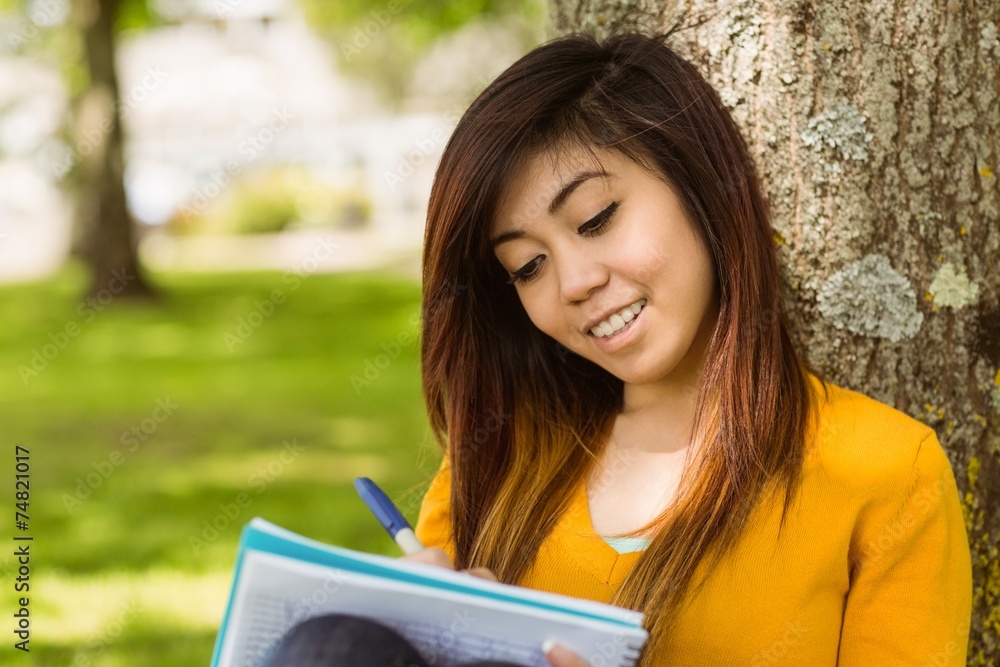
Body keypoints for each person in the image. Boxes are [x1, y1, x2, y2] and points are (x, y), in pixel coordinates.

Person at [265, 29, 973, 667]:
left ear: (700, 185)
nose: (574, 283)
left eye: (596, 219)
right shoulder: (496, 454)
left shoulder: (885, 473)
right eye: (527, 267)